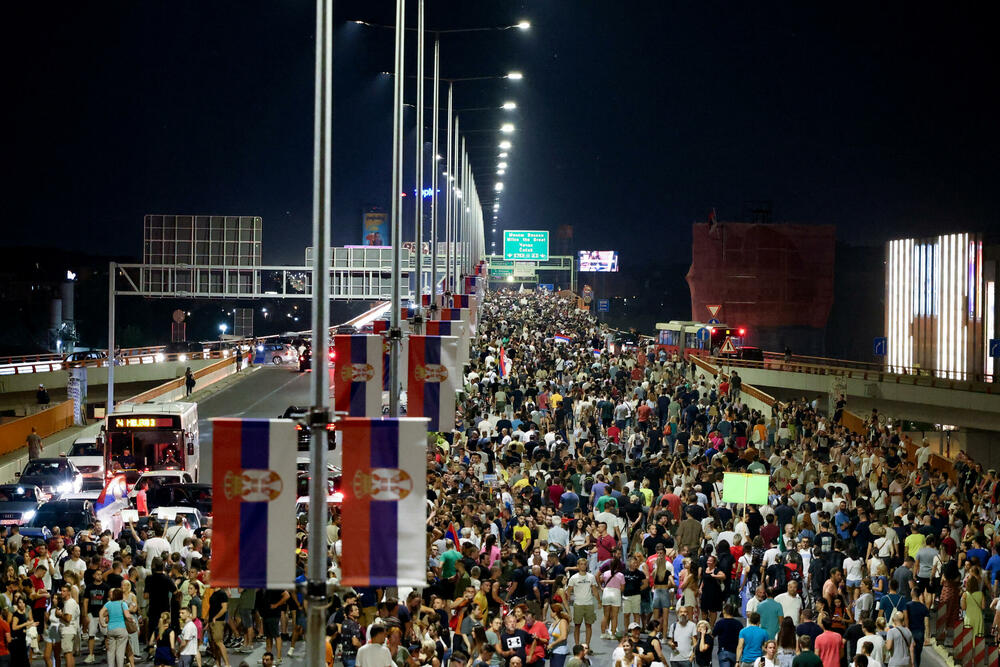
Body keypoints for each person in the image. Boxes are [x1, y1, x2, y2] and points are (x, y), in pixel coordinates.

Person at [100, 588, 133, 667]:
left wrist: (102, 623)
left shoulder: (109, 603)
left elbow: (101, 612)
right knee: (120, 652)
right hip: (121, 629)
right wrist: (132, 619)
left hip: (110, 629)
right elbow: (127, 615)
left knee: (110, 651)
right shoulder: (123, 604)